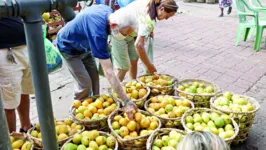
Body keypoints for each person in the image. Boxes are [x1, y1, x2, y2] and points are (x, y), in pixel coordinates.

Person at [56, 4, 138, 118]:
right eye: (125, 33)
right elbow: (109, 72)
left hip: (85, 46)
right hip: (68, 47)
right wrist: (126, 101)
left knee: (95, 81)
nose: (125, 36)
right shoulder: (97, 33)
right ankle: (77, 115)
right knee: (85, 84)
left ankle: (94, 111)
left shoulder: (109, 12)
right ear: (114, 25)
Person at [111, 0, 178, 81]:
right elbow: (139, 45)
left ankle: (133, 83)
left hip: (130, 31)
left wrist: (147, 31)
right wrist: (149, 65)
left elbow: (141, 18)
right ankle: (114, 91)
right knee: (123, 67)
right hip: (117, 31)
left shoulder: (151, 4)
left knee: (134, 58)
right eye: (168, 16)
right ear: (162, 9)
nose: (166, 19)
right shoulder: (149, 20)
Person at [0, 17, 33, 133]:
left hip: (25, 45)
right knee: (9, 101)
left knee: (24, 91)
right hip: (5, 51)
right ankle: (13, 139)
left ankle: (26, 127)